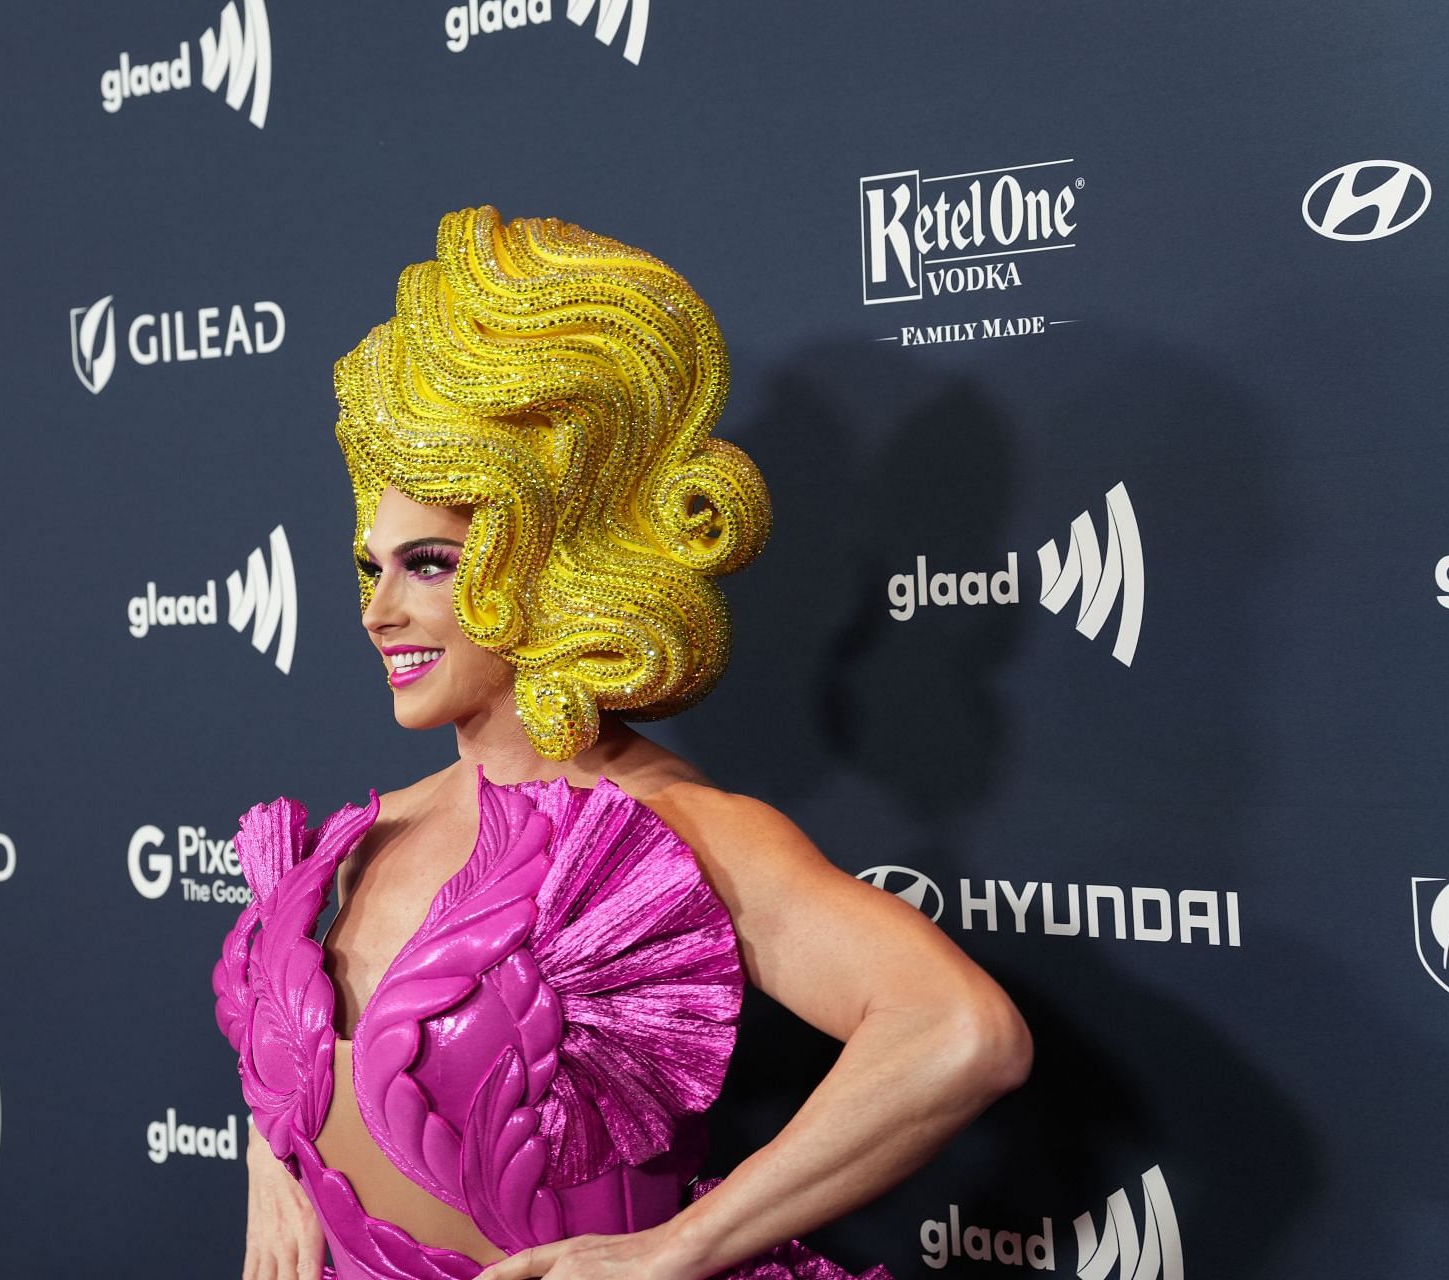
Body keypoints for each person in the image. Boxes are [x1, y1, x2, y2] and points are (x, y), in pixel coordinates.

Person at [213, 207, 1031, 1280]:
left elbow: (961, 1033)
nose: (377, 611)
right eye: (371, 566)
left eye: (428, 563)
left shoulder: (663, 839)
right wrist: (273, 1153)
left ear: (547, 560)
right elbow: (310, 1058)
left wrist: (681, 1247)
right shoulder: (374, 832)